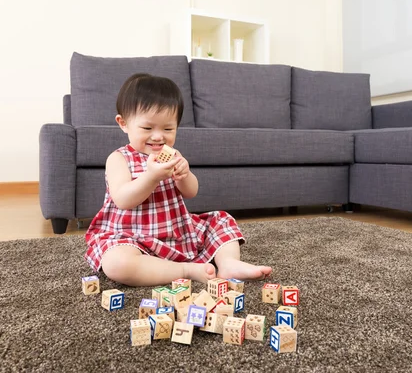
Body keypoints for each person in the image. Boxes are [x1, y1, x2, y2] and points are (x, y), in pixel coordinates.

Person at [84, 73, 272, 287]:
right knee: (117, 264)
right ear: (123, 123)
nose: (158, 136)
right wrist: (152, 176)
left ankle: (228, 263)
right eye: (147, 128)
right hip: (131, 237)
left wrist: (185, 176)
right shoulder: (119, 158)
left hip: (176, 232)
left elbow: (191, 192)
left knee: (221, 221)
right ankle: (186, 270)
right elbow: (123, 199)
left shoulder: (173, 156)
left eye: (168, 129)